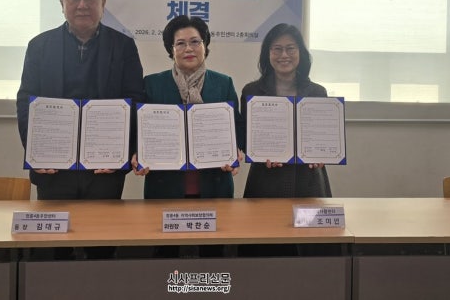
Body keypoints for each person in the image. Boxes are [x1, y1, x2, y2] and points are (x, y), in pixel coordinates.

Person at [16, 0, 145, 257]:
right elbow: (25, 101)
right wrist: (36, 152)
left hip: (104, 168)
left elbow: (136, 99)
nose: (82, 4)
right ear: (62, 3)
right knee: (52, 250)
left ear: (103, 2)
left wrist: (122, 153)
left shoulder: (123, 46)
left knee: (100, 246)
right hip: (53, 167)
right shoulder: (39, 46)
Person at [132, 15, 242, 257]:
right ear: (171, 49)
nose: (188, 48)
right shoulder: (152, 84)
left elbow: (236, 129)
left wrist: (236, 152)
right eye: (180, 43)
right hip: (165, 186)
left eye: (195, 41)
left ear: (205, 45)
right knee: (165, 255)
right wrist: (138, 154)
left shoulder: (223, 83)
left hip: (214, 184)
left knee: (213, 255)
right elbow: (140, 131)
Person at [239, 23, 334, 257]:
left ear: (301, 53)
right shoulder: (252, 91)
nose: (284, 55)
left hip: (308, 180)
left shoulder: (317, 92)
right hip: (266, 179)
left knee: (311, 249)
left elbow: (323, 137)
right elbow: (245, 137)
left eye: (291, 48)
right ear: (267, 54)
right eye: (277, 49)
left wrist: (322, 154)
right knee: (265, 247)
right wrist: (257, 152)